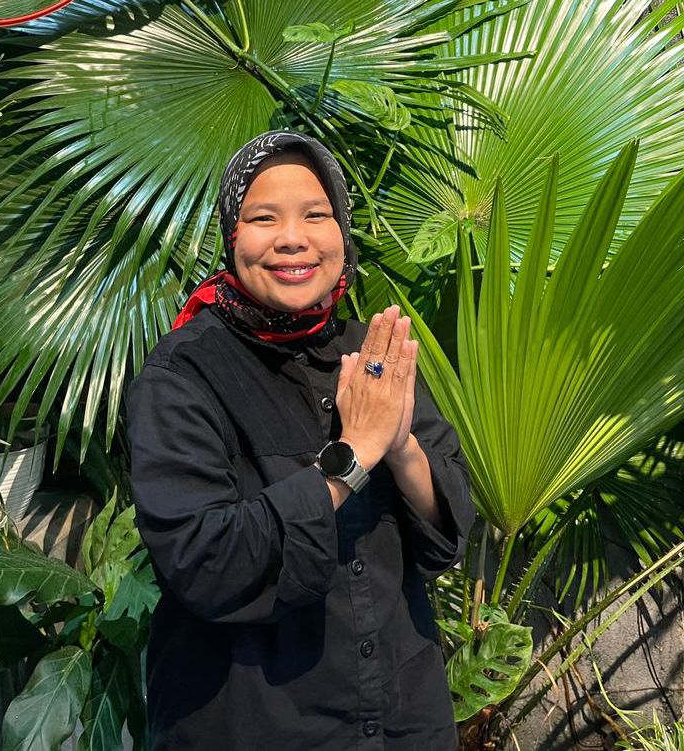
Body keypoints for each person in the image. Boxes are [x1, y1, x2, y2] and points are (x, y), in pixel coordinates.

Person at [127, 130, 475, 750]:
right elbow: (206, 563)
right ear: (232, 236)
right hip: (252, 724)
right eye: (265, 218)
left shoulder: (370, 352)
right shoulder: (182, 375)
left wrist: (400, 446)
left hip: (403, 719)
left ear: (342, 231)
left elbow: (446, 537)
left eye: (316, 215)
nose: (293, 238)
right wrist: (353, 456)